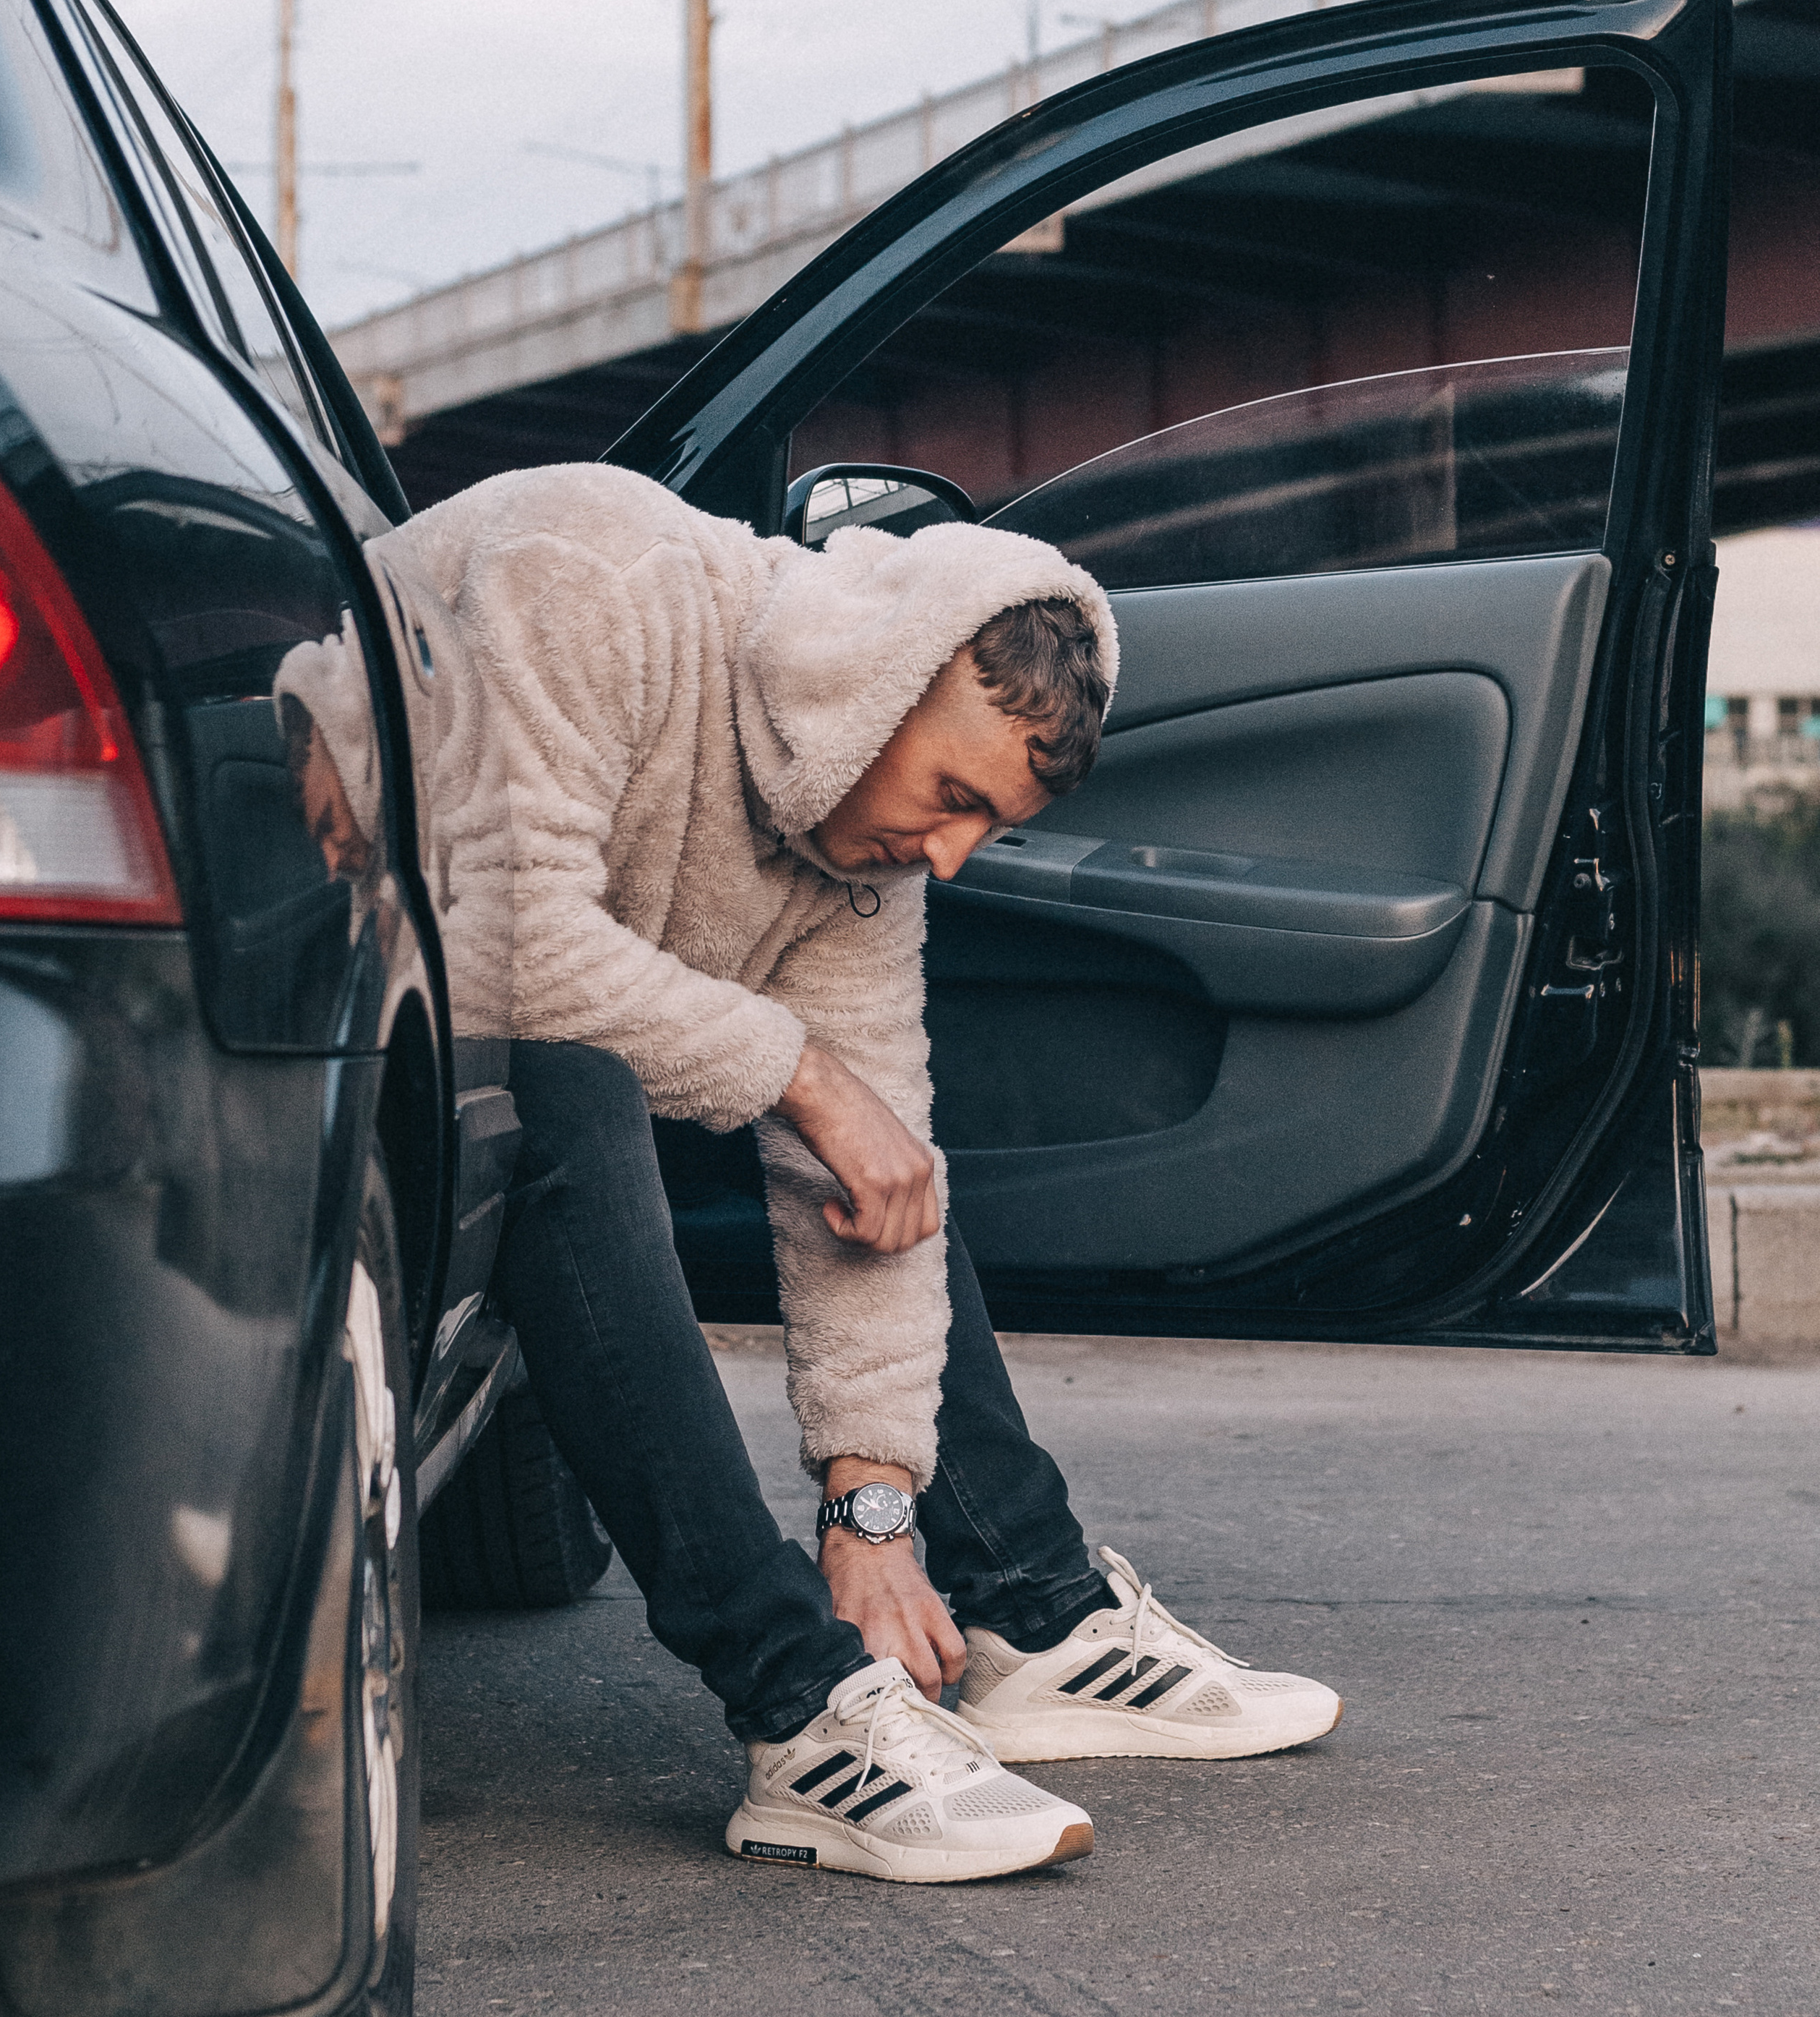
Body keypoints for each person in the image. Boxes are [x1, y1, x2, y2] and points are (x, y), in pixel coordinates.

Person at [389, 463, 1342, 1884]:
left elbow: (870, 1176)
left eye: (988, 830)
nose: (950, 859)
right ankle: (800, 1710)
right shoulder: (592, 575)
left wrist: (869, 1503)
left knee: (884, 1155)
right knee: (568, 1089)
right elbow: (492, 941)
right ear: (871, 679)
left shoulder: (855, 850)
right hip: (306, 1043)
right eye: (952, 795)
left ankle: (1022, 1609)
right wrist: (800, 1076)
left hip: (511, 1057)